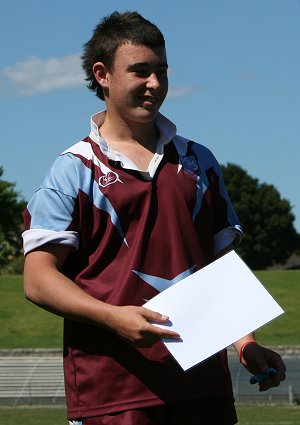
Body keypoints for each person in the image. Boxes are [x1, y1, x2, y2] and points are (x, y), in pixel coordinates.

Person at [22, 11, 286, 425]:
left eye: (162, 71)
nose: (156, 85)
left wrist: (245, 343)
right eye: (141, 72)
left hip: (204, 387)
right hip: (112, 393)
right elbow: (38, 280)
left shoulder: (201, 162)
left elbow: (217, 269)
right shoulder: (73, 169)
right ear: (102, 74)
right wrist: (113, 317)